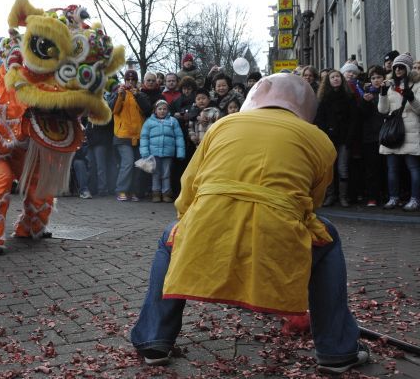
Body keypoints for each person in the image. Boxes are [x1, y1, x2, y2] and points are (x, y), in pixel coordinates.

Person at [130, 74, 369, 375]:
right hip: (278, 237)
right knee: (328, 235)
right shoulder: (319, 139)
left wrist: (191, 225)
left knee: (170, 236)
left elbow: (187, 188)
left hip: (208, 226)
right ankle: (337, 351)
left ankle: (154, 340)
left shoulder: (221, 126)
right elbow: (312, 201)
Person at [378, 53, 420, 211]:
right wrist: (382, 94)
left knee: (413, 167)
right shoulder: (390, 85)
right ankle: (393, 198)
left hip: (410, 129)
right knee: (392, 168)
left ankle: (415, 199)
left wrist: (412, 98)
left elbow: (419, 109)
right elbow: (383, 110)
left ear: (408, 69)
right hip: (393, 131)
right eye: (396, 67)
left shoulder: (416, 85)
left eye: (401, 66)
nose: (398, 69)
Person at [315, 69, 360, 207]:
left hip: (344, 138)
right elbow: (319, 119)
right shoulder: (324, 98)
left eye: (338, 77)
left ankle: (343, 196)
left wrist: (349, 138)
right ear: (328, 81)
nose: (336, 79)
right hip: (329, 139)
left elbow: (354, 119)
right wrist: (325, 133)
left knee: (342, 168)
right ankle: (330, 195)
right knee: (329, 168)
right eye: (332, 77)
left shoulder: (349, 97)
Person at [108, 69, 150, 201]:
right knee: (127, 162)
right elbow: (111, 110)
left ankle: (133, 191)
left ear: (137, 81)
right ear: (125, 81)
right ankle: (121, 190)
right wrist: (119, 96)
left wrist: (138, 95)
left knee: (138, 164)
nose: (130, 82)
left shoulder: (141, 94)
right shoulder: (118, 93)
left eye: (133, 80)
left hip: (138, 136)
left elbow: (147, 109)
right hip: (122, 136)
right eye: (128, 80)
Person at [139, 99, 185, 203]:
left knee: (166, 174)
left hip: (168, 153)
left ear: (168, 110)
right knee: (155, 173)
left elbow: (179, 137)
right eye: (160, 109)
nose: (162, 111)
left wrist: (180, 152)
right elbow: (144, 137)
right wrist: (144, 152)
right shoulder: (149, 122)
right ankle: (156, 193)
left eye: (164, 109)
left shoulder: (173, 121)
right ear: (155, 110)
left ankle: (166, 194)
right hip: (153, 153)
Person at [360, 66, 387, 207]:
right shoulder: (366, 94)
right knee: (372, 168)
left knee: (387, 167)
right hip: (371, 136)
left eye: (379, 77)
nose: (376, 80)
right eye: (373, 78)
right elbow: (362, 116)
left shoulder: (388, 92)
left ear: (384, 78)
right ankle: (373, 197)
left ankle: (387, 195)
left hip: (387, 135)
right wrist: (365, 102)